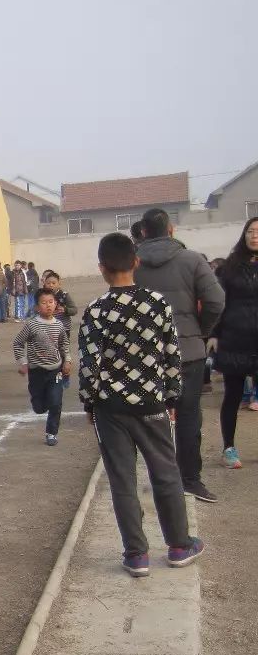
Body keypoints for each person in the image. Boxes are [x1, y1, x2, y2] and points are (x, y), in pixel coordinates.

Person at [81, 233, 205, 577]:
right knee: (165, 472)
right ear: (136, 262)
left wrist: (89, 404)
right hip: (152, 403)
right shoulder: (158, 303)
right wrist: (172, 397)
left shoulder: (95, 310)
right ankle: (179, 545)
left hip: (110, 408)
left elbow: (89, 363)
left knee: (122, 479)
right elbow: (170, 355)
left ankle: (136, 554)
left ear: (103, 269)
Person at [134, 207, 225, 503]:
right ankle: (190, 479)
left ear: (143, 232)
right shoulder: (193, 260)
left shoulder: (132, 264)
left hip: (145, 353)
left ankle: (161, 479)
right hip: (187, 349)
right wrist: (201, 330)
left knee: (150, 416)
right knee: (188, 416)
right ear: (171, 230)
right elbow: (216, 300)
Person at [212, 216, 258, 469]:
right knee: (232, 395)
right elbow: (219, 304)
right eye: (250, 231)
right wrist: (215, 334)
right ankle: (228, 448)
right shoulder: (228, 267)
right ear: (244, 235)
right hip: (234, 339)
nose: (254, 235)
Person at [13, 289, 70, 446]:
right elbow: (18, 343)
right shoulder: (31, 324)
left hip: (55, 370)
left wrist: (67, 361)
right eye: (44, 303)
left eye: (51, 302)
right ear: (37, 307)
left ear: (56, 304)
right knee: (39, 408)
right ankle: (39, 402)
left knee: (56, 403)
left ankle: (51, 433)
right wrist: (23, 362)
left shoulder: (59, 325)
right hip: (36, 371)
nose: (48, 306)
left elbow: (64, 345)